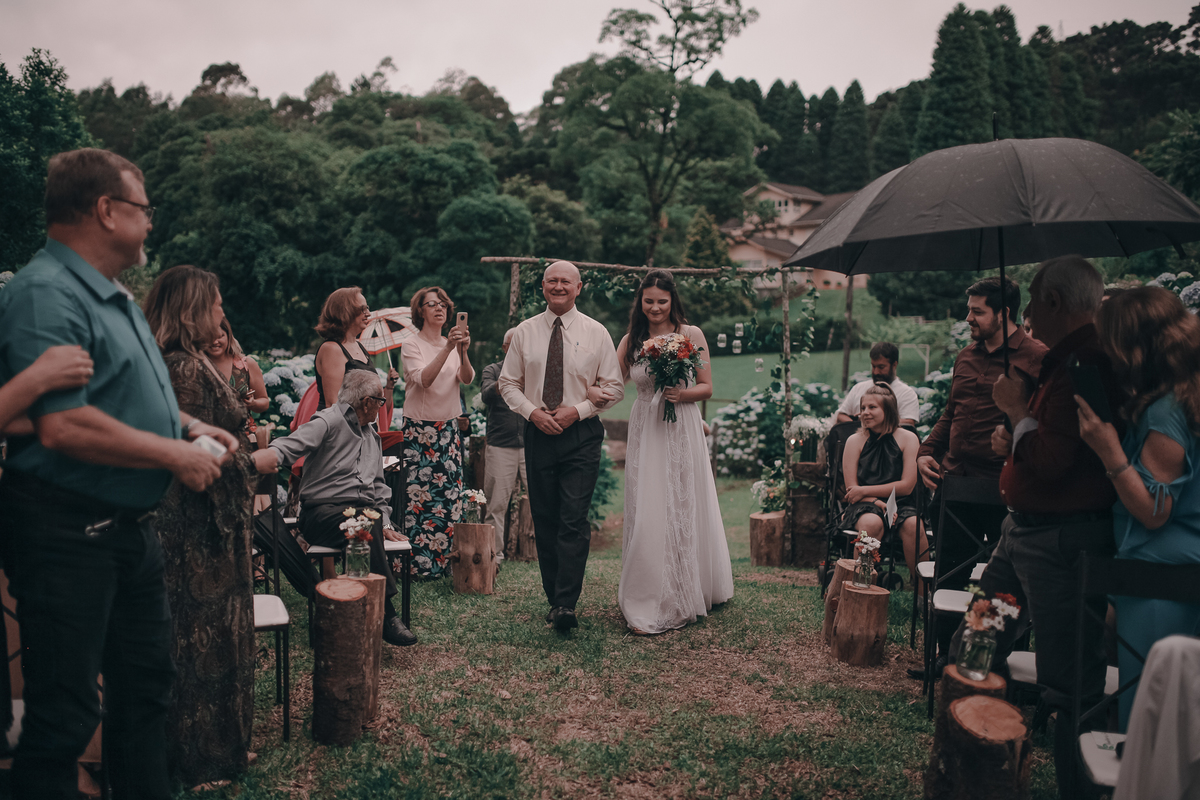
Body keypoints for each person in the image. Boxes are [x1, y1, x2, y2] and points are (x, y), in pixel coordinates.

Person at [0, 147, 235, 800]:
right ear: (105, 211)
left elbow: (121, 393)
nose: (150, 223)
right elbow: (61, 425)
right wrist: (174, 455)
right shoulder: (46, 293)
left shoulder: (117, 296)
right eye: (142, 208)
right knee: (66, 713)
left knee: (146, 692)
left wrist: (187, 426)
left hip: (130, 532)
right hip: (66, 532)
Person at [963, 255, 1119, 800]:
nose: (1025, 311)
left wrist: (1014, 413)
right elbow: (1045, 446)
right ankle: (971, 754)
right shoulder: (1063, 361)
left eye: (1031, 300)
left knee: (1068, 682)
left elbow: (1058, 460)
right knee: (980, 636)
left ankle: (1080, 789)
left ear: (1053, 303)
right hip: (1020, 536)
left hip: (1060, 545)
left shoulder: (1088, 365)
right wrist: (1018, 436)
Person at [143, 265, 257, 787]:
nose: (221, 313)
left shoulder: (189, 362)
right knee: (199, 642)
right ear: (191, 309)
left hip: (211, 524)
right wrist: (245, 457)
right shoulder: (183, 370)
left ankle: (220, 750)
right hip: (194, 527)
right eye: (213, 304)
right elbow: (187, 449)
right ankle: (199, 760)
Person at [1075, 287, 1200, 729]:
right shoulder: (1186, 393)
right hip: (1173, 576)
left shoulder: (1166, 412)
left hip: (1159, 583)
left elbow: (1153, 511)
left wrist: (1110, 452)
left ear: (1132, 345)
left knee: (1150, 717)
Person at [913, 276, 1046, 679]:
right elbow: (950, 413)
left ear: (1004, 313)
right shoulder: (966, 356)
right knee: (948, 569)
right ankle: (946, 658)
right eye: (969, 309)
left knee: (1004, 584)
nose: (967, 317)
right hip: (955, 482)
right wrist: (924, 452)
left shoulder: (1036, 358)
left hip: (1003, 486)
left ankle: (995, 659)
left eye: (977, 311)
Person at [602, 270, 733, 634]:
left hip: (681, 424)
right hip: (646, 424)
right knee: (648, 503)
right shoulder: (632, 339)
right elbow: (612, 383)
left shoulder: (691, 335)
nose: (655, 308)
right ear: (640, 302)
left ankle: (688, 584)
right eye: (649, 301)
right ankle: (647, 587)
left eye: (662, 301)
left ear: (673, 300)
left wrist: (680, 394)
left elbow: (706, 388)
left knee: (680, 500)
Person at [499, 261, 624, 632]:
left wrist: (578, 411)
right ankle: (554, 597)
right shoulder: (524, 333)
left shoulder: (597, 332)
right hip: (538, 432)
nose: (558, 286)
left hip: (581, 435)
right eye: (551, 281)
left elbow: (614, 388)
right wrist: (533, 413)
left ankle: (566, 604)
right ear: (542, 287)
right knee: (547, 518)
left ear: (578, 287)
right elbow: (508, 384)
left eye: (565, 281)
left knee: (573, 518)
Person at [254, 370, 417, 646]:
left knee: (369, 519)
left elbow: (378, 489)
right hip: (321, 514)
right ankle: (387, 615)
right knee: (366, 520)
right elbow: (290, 445)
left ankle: (357, 611)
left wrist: (386, 522)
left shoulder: (372, 436)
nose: (382, 405)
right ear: (366, 402)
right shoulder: (328, 421)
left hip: (361, 515)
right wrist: (265, 456)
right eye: (380, 400)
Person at [400, 286, 474, 578]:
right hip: (420, 431)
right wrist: (448, 349)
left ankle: (446, 564)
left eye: (443, 304)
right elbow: (425, 380)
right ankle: (419, 565)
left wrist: (463, 351)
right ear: (420, 311)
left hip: (448, 428)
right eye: (432, 304)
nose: (439, 308)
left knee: (449, 496)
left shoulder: (452, 343)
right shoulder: (411, 344)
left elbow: (466, 378)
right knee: (420, 498)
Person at [839, 384, 923, 579]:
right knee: (871, 523)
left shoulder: (909, 439)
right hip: (863, 505)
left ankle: (923, 595)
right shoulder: (854, 441)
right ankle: (861, 585)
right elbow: (852, 491)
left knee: (914, 525)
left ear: (889, 410)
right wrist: (876, 501)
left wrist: (865, 490)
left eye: (872, 407)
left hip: (901, 503)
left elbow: (907, 485)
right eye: (862, 408)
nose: (864, 413)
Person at [481, 329, 526, 564]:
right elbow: (486, 396)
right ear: (505, 347)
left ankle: (546, 553)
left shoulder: (534, 368)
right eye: (513, 343)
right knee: (496, 504)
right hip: (501, 446)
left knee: (543, 500)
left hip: (532, 445)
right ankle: (494, 556)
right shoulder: (493, 370)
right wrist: (505, 379)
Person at [314, 286, 398, 411]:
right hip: (344, 428)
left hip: (364, 428)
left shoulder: (360, 346)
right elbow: (333, 405)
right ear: (345, 312)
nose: (368, 314)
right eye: (362, 309)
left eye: (367, 308)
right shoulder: (332, 349)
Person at [835, 342, 920, 429]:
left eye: (881, 367)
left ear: (894, 365)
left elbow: (908, 423)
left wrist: (872, 420)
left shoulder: (906, 393)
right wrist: (859, 425)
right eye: (873, 366)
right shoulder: (859, 388)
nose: (876, 372)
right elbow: (841, 415)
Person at [208, 316, 269, 417]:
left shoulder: (247, 364)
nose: (215, 341)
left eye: (220, 336)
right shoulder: (196, 366)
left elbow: (264, 402)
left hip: (243, 430)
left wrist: (253, 404)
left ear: (229, 336)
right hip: (208, 431)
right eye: (209, 337)